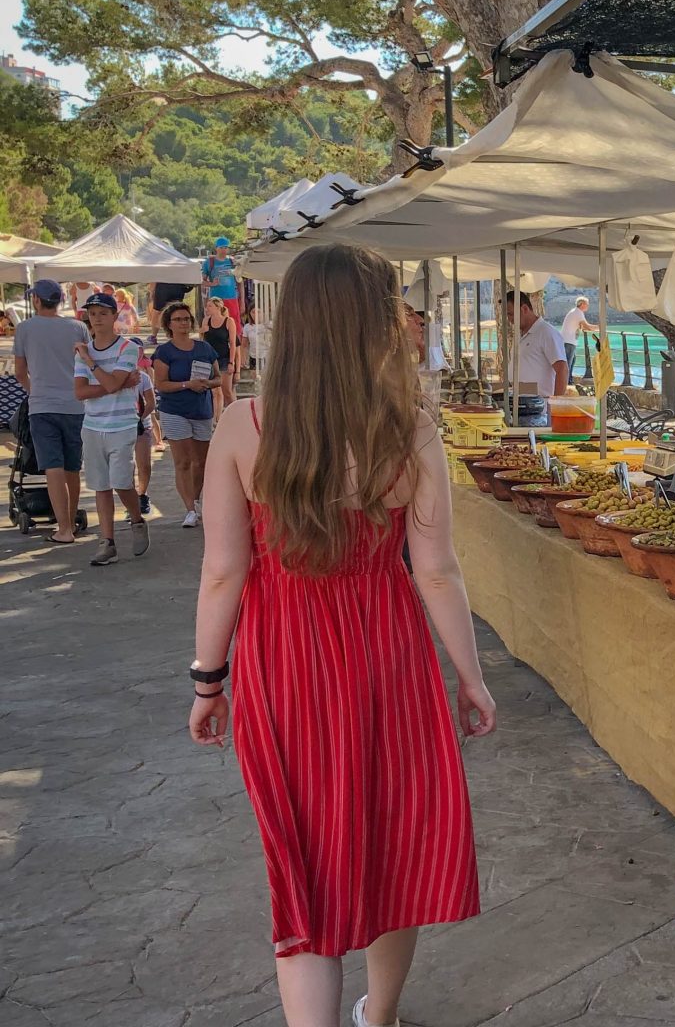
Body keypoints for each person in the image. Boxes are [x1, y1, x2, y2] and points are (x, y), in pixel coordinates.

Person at [186, 242, 492, 1027]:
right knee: (394, 849)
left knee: (305, 861)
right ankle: (379, 1016)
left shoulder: (241, 428)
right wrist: (471, 675)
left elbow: (223, 572)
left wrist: (207, 680)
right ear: (377, 324)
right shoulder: (411, 431)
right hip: (389, 657)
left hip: (283, 664)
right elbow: (438, 571)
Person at [72, 292, 149, 565]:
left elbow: (113, 384)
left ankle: (137, 519)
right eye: (92, 314)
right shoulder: (83, 349)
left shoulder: (126, 348)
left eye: (103, 313)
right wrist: (113, 383)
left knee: (120, 481)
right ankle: (108, 542)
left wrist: (95, 366)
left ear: (114, 316)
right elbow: (81, 392)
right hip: (92, 425)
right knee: (100, 485)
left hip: (121, 424)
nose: (97, 319)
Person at [13, 279, 89, 542]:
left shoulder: (24, 329)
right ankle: (72, 523)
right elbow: (88, 364)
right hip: (75, 405)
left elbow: (20, 372)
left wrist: (36, 391)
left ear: (36, 300)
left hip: (43, 406)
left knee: (52, 467)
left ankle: (64, 528)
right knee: (72, 467)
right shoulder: (78, 327)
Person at [152, 302, 218, 527]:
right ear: (169, 325)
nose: (183, 323)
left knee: (201, 461)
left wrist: (207, 383)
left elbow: (219, 378)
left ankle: (197, 499)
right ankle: (189, 508)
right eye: (178, 319)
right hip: (175, 410)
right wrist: (186, 384)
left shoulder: (205, 349)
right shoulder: (164, 351)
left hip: (201, 409)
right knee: (183, 461)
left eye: (186, 319)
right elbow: (160, 384)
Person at [509, 291, 566, 425]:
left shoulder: (546, 332)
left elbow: (562, 369)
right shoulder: (521, 335)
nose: (509, 319)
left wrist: (556, 405)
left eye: (510, 314)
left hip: (539, 411)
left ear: (524, 309)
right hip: (520, 408)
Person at [203, 294, 240, 419]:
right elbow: (202, 339)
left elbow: (233, 343)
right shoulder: (206, 320)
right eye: (207, 306)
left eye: (210, 306)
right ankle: (217, 419)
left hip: (224, 357)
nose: (207, 308)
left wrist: (232, 362)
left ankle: (237, 415)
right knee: (215, 391)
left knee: (227, 391)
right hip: (211, 359)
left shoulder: (228, 321)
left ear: (218, 307)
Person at [134, 362, 156, 516]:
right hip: (121, 425)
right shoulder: (115, 377)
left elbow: (151, 402)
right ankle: (131, 499)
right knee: (126, 466)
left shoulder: (143, 378)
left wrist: (140, 418)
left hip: (142, 425)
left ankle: (142, 494)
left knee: (144, 464)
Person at [559, 295, 590, 381]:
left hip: (567, 340)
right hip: (568, 341)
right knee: (568, 362)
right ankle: (566, 382)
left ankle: (569, 380)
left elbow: (582, 326)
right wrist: (600, 327)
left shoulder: (576, 312)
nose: (588, 306)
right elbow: (587, 327)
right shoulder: (578, 312)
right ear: (582, 304)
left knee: (572, 361)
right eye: (587, 304)